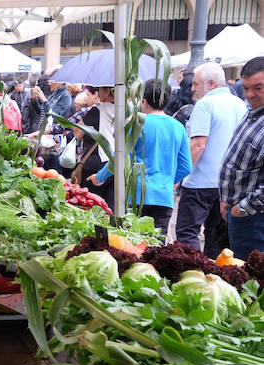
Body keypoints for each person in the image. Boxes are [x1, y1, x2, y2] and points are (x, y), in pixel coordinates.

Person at [89, 79, 191, 232]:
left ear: (144, 101)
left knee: (134, 246)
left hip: (136, 196)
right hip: (164, 198)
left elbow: (119, 159)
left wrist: (99, 178)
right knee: (156, 249)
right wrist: (167, 181)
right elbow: (186, 166)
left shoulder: (137, 124)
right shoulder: (178, 127)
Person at [175, 62, 249, 258]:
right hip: (226, 185)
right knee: (216, 238)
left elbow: (198, 145)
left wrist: (179, 176)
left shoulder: (206, 104)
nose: (192, 88)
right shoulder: (241, 105)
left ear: (211, 83)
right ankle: (215, 278)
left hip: (200, 182)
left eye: (196, 84)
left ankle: (192, 273)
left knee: (187, 233)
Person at [219, 57, 264, 260]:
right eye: (245, 88)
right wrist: (226, 201)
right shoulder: (252, 113)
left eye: (258, 88)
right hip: (239, 213)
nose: (250, 94)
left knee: (252, 281)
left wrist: (241, 208)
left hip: (254, 218)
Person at [75, 87, 116, 200]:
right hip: (117, 164)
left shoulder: (98, 110)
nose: (98, 93)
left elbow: (78, 133)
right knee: (110, 207)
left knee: (90, 205)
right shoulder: (128, 110)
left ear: (107, 91)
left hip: (95, 164)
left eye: (100, 90)